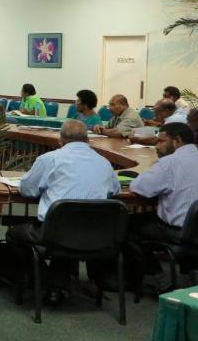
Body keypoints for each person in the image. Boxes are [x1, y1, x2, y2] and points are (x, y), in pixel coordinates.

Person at [7, 120, 121, 305]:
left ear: (60, 141)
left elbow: (27, 190)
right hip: (97, 236)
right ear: (88, 140)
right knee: (70, 231)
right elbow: (114, 191)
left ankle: (46, 280)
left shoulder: (50, 159)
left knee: (14, 234)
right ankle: (60, 281)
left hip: (55, 234)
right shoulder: (104, 163)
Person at [127, 122, 198, 291]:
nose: (157, 146)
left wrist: (155, 169)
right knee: (178, 216)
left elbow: (139, 187)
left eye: (161, 141)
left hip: (180, 232)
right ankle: (191, 273)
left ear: (177, 141)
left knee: (127, 225)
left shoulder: (170, 162)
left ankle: (159, 279)